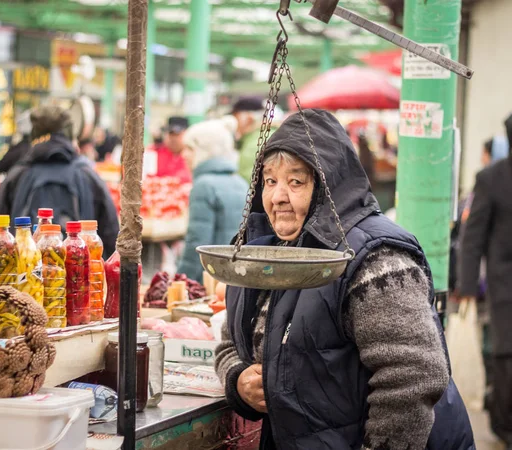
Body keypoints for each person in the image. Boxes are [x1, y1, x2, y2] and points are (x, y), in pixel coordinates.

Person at [215, 109, 474, 450]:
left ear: (327, 187)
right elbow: (228, 343)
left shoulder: (377, 260)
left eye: (296, 182)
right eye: (270, 180)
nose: (278, 196)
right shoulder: (268, 253)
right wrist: (237, 379)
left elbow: (412, 377)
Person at [0, 105, 119, 258]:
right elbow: (111, 237)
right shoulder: (87, 175)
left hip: (23, 278)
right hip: (79, 277)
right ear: (71, 136)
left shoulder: (17, 175)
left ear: (34, 135)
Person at [458, 116, 512, 449]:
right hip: (504, 283)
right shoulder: (491, 178)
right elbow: (472, 236)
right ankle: (505, 423)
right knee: (506, 355)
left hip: (503, 282)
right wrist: (465, 287)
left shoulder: (492, 177)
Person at [177, 117, 248, 283]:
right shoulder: (240, 183)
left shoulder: (204, 186)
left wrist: (180, 279)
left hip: (209, 278)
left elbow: (196, 243)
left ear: (205, 150)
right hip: (234, 276)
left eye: (189, 148)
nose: (184, 154)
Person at [231, 96, 267, 181]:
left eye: (235, 117)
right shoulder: (254, 138)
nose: (234, 122)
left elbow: (248, 183)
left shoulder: (255, 144)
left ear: (248, 117)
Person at [155, 116, 191, 183]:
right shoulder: (154, 152)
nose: (173, 138)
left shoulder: (192, 156)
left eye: (177, 134)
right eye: (170, 134)